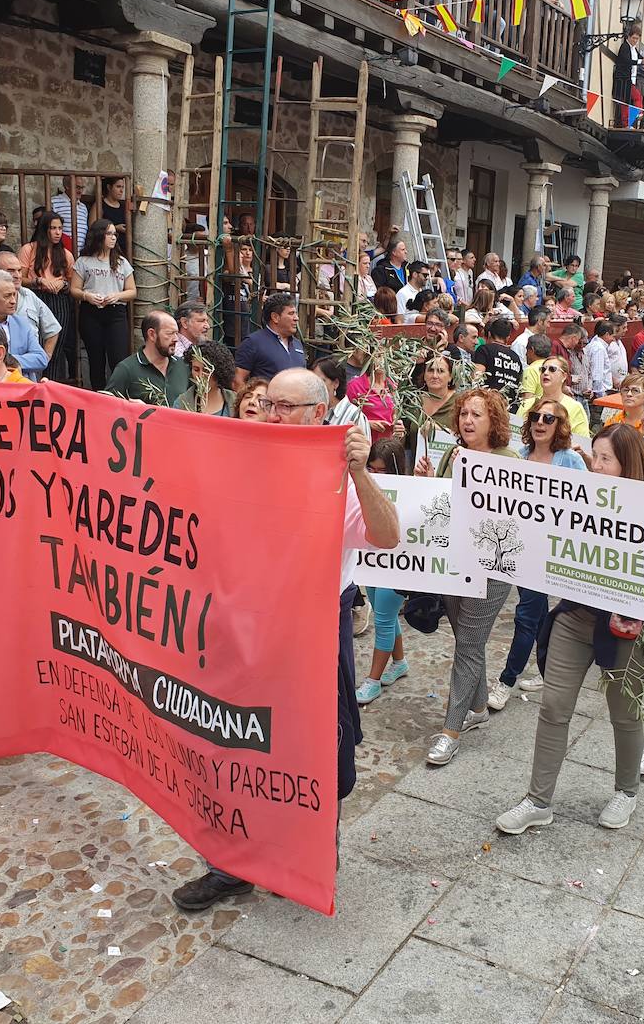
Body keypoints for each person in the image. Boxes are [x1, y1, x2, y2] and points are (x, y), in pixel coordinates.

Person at [172, 369, 399, 912]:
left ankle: (309, 855)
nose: (271, 415)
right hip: (239, 631)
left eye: (285, 406)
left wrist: (361, 472)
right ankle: (229, 865)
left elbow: (387, 536)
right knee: (228, 738)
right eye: (265, 404)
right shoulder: (235, 464)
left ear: (318, 414)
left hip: (312, 633)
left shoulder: (337, 477)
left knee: (314, 747)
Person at [495, 424, 644, 834]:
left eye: (604, 460)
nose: (594, 466)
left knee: (624, 712)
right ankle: (538, 800)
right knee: (553, 706)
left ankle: (626, 791)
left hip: (626, 630)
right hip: (575, 617)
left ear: (627, 463)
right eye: (593, 456)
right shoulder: (579, 497)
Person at [411, 388, 516, 766]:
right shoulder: (450, 455)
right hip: (453, 562)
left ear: (494, 422)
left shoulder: (509, 460)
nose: (468, 421)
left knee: (468, 644)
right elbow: (438, 504)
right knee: (467, 637)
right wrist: (424, 479)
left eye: (476, 415)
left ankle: (450, 731)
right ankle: (478, 708)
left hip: (492, 568)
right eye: (464, 414)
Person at [488, 400, 588, 712]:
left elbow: (591, 500)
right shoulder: (517, 457)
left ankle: (507, 679)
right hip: (515, 547)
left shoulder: (570, 460)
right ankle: (548, 671)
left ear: (560, 426)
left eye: (548, 418)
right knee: (539, 613)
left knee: (526, 615)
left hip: (546, 552)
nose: (539, 423)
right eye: (534, 417)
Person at [355, 437, 412, 705]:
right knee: (383, 614)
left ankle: (373, 680)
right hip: (372, 564)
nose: (376, 476)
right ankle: (399, 663)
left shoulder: (412, 490)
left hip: (396, 568)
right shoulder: (365, 487)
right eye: (371, 470)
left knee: (385, 620)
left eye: (382, 471)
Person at [70, 218, 136, 389]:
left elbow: (132, 291)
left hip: (116, 312)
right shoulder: (84, 261)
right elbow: (74, 289)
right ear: (99, 235)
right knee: (95, 359)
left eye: (115, 234)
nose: (113, 238)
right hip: (91, 312)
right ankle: (98, 394)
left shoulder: (122, 262)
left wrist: (117, 296)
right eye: (109, 234)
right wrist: (87, 296)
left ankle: (118, 394)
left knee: (119, 357)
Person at [19, 211, 77, 379]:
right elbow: (19, 278)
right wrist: (39, 281)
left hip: (59, 300)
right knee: (34, 343)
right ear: (44, 229)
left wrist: (63, 284)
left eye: (60, 228)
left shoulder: (66, 254)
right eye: (53, 228)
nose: (58, 232)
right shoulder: (28, 249)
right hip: (35, 296)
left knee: (56, 346)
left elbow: (72, 283)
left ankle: (50, 385)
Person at [0, 269, 50, 379]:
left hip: (23, 390)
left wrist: (7, 360)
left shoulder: (22, 323)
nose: (13, 301)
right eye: (7, 296)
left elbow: (41, 359)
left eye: (14, 295)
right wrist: (23, 360)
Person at [104, 311, 189, 406]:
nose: (176, 339)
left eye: (176, 333)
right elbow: (107, 406)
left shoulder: (183, 365)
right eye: (170, 333)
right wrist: (135, 410)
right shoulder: (126, 369)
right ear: (152, 334)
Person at [232, 292, 304, 388]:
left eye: (296, 313)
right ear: (275, 317)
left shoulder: (297, 344)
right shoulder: (253, 342)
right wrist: (251, 400)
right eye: (291, 313)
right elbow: (237, 380)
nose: (296, 318)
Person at [519, 356, 591, 437]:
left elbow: (582, 443)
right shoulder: (527, 404)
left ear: (564, 376)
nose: (545, 373)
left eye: (552, 369)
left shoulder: (575, 408)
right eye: (543, 369)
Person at [473, 318, 524, 408]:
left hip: (488, 405)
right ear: (507, 338)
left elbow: (477, 378)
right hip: (510, 408)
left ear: (489, 334)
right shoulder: (516, 357)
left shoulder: (484, 350)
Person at [176, 341, 236, 416]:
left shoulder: (235, 401)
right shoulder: (182, 402)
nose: (200, 376)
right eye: (196, 369)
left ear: (219, 371)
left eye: (206, 370)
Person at [321, 357, 374, 436]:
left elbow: (364, 446)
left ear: (335, 383)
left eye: (321, 381)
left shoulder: (355, 416)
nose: (315, 386)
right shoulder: (311, 411)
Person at [99, 177, 129, 255]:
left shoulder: (123, 206)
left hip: (122, 249)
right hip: (106, 250)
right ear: (109, 187)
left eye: (123, 187)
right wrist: (115, 228)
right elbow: (93, 227)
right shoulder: (100, 205)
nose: (121, 190)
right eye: (118, 187)